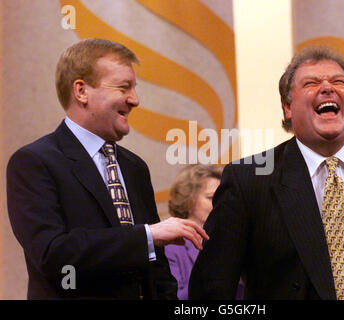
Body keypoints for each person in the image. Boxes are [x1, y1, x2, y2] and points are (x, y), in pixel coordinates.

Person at [189, 46, 344, 300]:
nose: (328, 88)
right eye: (311, 83)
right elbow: (211, 288)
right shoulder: (248, 179)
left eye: (338, 81)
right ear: (288, 108)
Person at [6, 38, 208, 300]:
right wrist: (146, 235)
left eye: (134, 88)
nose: (135, 100)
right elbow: (53, 254)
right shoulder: (34, 163)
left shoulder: (134, 167)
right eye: (124, 87)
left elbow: (157, 269)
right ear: (81, 91)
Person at [164, 164, 222, 299]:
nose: (219, 203)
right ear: (189, 198)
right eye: (211, 197)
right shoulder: (171, 246)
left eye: (222, 197)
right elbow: (173, 295)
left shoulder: (230, 241)